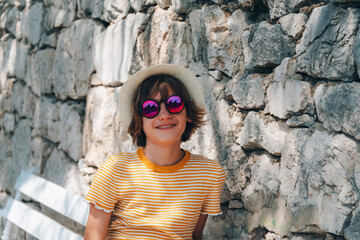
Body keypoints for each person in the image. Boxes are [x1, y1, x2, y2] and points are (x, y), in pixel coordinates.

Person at [84, 64, 226, 240]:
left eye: (174, 104)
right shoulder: (115, 170)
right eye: (151, 108)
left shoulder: (209, 174)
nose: (164, 114)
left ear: (188, 113)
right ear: (139, 119)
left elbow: (194, 236)